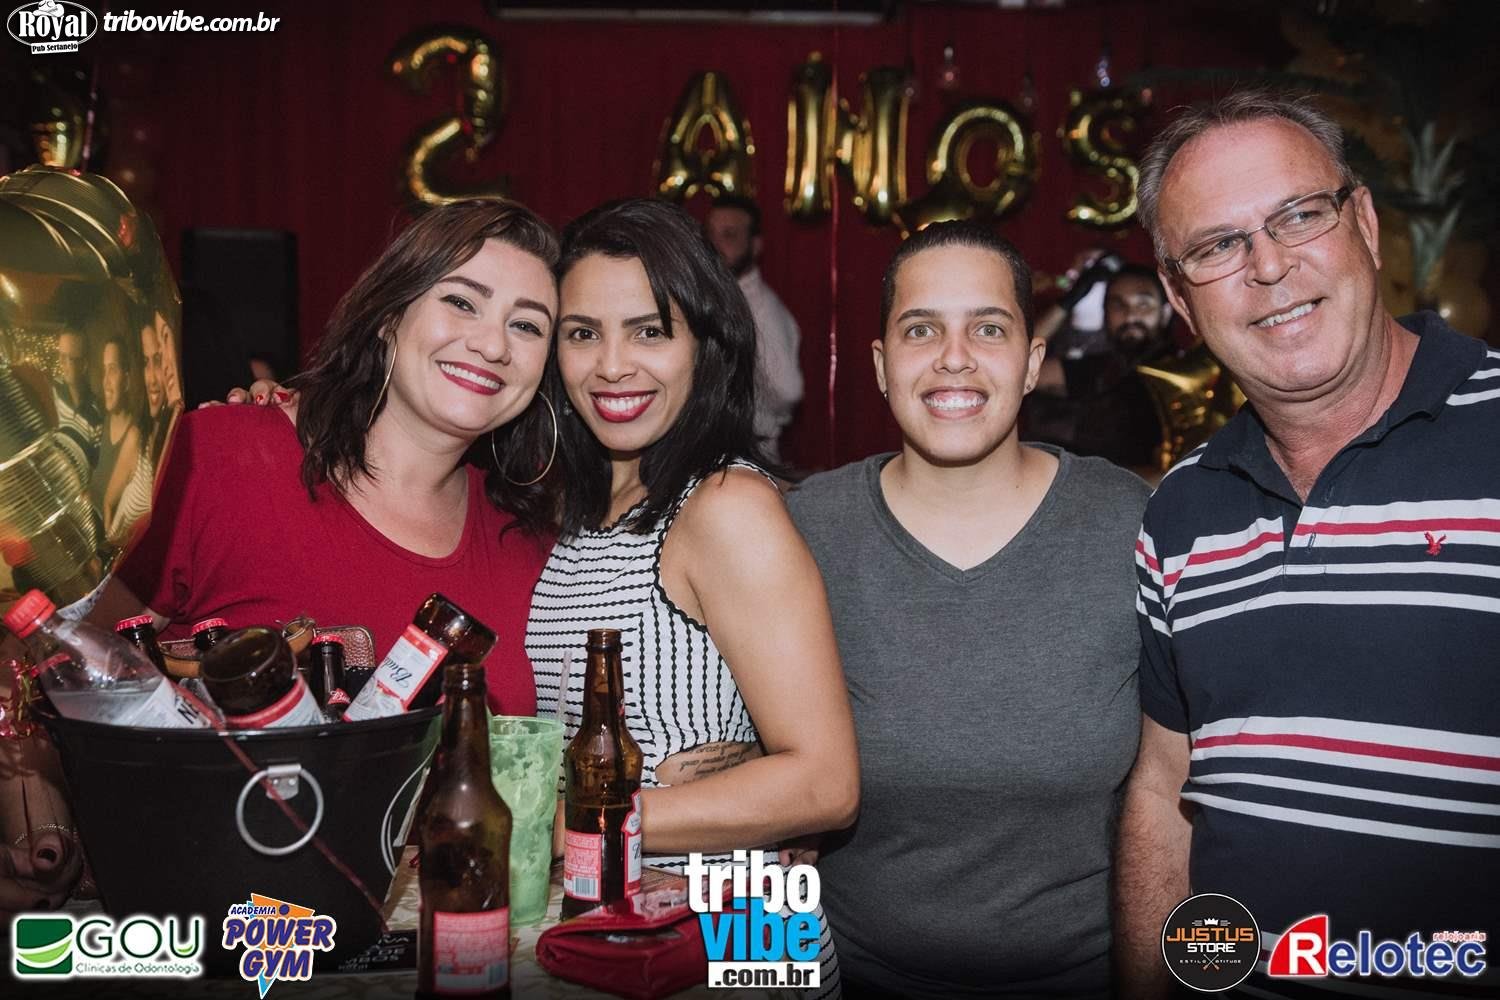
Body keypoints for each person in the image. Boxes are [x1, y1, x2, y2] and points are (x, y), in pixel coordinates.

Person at [1116, 89, 1500, 997]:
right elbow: (1164, 797)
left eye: (1298, 216)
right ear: (1178, 297)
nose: (1269, 266)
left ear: (1364, 223)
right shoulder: (1180, 509)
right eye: (1218, 246)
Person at [785, 221, 1149, 998]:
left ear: (1033, 363)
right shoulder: (802, 531)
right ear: (880, 367)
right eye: (921, 330)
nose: (954, 357)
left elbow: (1181, 786)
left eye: (988, 328)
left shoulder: (1130, 523)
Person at [526, 198, 858, 995]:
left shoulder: (723, 506)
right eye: (583, 333)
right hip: (617, 923)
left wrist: (576, 818)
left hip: (735, 935)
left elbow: (825, 785)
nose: (612, 365)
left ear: (704, 346)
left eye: (649, 331)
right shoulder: (581, 506)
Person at [99, 199, 561, 716]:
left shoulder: (534, 550)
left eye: (527, 326)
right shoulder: (217, 459)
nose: (493, 345)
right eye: (461, 301)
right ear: (389, 315)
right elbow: (70, 672)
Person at [1036, 264, 1178, 469]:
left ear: (1165, 312)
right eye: (1118, 305)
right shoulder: (1100, 371)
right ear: (1105, 315)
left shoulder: (1186, 372)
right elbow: (1018, 371)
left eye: (1143, 305)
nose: (1130, 316)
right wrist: (1068, 301)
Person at [704, 194, 803, 461]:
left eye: (729, 235)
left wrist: (749, 418)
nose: (715, 244)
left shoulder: (761, 310)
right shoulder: (714, 299)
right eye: (710, 234)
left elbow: (788, 390)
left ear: (755, 245)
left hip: (745, 459)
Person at [88, 336, 144, 531]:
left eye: (112, 370)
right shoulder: (100, 422)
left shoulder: (135, 436)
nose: (105, 381)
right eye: (104, 370)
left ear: (127, 380)